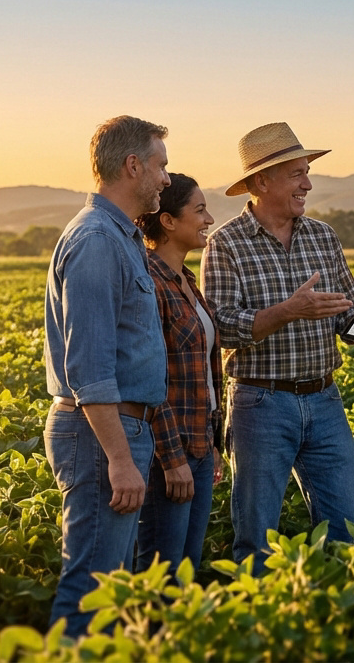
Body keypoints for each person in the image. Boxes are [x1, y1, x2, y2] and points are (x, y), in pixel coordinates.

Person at [201, 121, 354, 574]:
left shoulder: (323, 236)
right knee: (257, 537)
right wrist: (289, 311)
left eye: (305, 171)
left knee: (350, 530)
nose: (307, 183)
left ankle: (340, 624)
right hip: (261, 403)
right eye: (296, 173)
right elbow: (220, 327)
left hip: (325, 400)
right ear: (261, 182)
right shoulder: (226, 244)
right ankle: (262, 630)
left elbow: (346, 314)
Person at [43, 115, 170, 636]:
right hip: (101, 435)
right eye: (161, 165)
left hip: (116, 430)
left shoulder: (120, 236)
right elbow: (90, 370)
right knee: (91, 589)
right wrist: (120, 459)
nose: (166, 177)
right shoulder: (98, 240)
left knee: (110, 587)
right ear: (132, 165)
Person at [134, 173, 225, 579]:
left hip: (200, 444)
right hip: (167, 454)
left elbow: (203, 371)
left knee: (186, 568)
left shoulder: (187, 280)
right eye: (200, 210)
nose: (208, 219)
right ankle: (149, 642)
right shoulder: (150, 284)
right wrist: (172, 461)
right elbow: (152, 381)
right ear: (168, 221)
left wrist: (214, 444)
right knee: (162, 571)